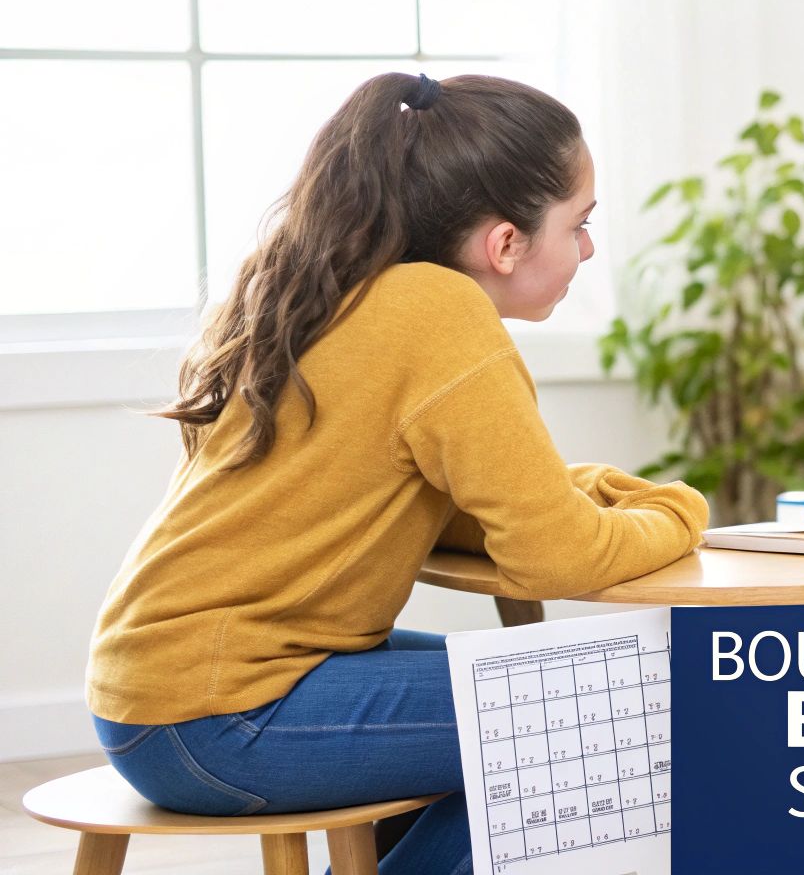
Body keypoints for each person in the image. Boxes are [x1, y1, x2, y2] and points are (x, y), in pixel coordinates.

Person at [86, 72, 709, 873]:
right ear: (506, 243)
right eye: (580, 224)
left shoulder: (354, 291)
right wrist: (683, 510)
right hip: (222, 714)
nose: (588, 249)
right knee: (625, 709)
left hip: (162, 694)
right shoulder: (439, 311)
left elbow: (475, 510)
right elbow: (556, 557)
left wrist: (591, 494)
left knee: (572, 697)